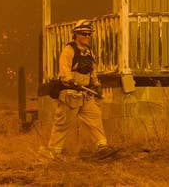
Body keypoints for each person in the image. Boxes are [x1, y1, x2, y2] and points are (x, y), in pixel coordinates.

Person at [41, 19, 117, 160]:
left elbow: (92, 71)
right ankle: (53, 151)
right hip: (70, 94)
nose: (87, 36)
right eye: (84, 34)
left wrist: (96, 85)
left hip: (85, 94)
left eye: (89, 34)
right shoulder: (69, 50)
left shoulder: (89, 52)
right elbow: (64, 69)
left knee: (95, 117)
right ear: (76, 35)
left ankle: (102, 147)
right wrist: (70, 80)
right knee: (63, 123)